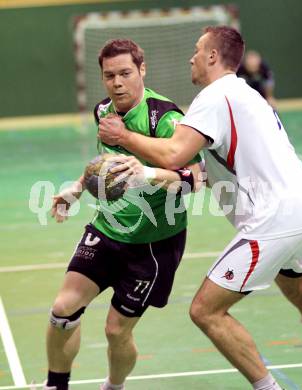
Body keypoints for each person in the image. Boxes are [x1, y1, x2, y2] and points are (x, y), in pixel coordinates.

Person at [98, 27, 302, 390]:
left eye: (198, 50)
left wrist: (123, 137)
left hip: (274, 218)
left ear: (213, 56)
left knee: (205, 310)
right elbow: (208, 169)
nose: (192, 57)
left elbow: (173, 153)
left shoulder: (214, 97)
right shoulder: (247, 95)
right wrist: (166, 177)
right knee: (300, 290)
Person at [46, 38, 202, 390]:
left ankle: (114, 387)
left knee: (116, 331)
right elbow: (103, 168)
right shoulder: (104, 111)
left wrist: (145, 174)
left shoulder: (165, 118)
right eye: (109, 75)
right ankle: (56, 385)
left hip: (154, 244)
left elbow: (196, 180)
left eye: (125, 73)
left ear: (142, 70)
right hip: (108, 228)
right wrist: (75, 188)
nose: (117, 83)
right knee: (62, 310)